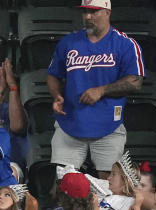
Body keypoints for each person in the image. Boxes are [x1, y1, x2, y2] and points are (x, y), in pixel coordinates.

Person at [46, 0, 145, 178]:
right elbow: (53, 75)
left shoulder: (126, 44)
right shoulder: (68, 43)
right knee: (64, 184)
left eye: (94, 11)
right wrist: (57, 96)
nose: (88, 17)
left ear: (107, 12)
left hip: (108, 125)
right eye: (85, 12)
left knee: (109, 185)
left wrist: (101, 90)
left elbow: (135, 82)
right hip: (70, 122)